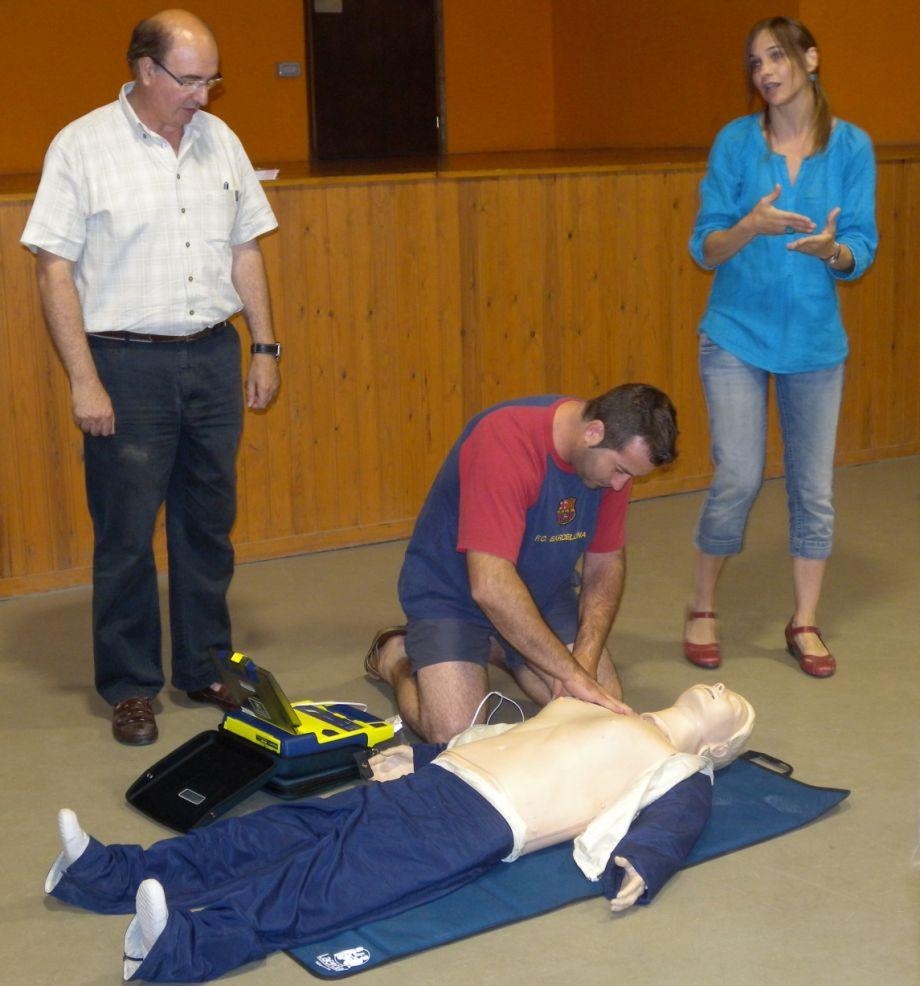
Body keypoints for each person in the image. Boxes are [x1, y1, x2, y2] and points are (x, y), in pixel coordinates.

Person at [44, 682, 754, 982]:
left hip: (480, 824)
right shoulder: (592, 705)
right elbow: (504, 734)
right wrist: (418, 754)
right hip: (441, 784)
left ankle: (177, 949)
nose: (722, 692)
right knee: (277, 829)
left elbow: (672, 826)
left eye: (733, 705)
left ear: (722, 743)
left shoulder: (682, 768)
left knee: (326, 884)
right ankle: (106, 872)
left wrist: (642, 864)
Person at [21, 10, 282, 744]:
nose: (205, 95)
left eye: (212, 79)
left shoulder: (219, 142)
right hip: (124, 363)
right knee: (128, 534)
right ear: (145, 70)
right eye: (191, 80)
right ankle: (131, 686)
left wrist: (264, 347)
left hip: (211, 356)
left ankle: (202, 666)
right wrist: (83, 379)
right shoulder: (82, 146)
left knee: (207, 524)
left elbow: (246, 250)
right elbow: (54, 270)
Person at [684, 16, 877, 678]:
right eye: (754, 61)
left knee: (813, 489)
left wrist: (835, 251)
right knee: (738, 474)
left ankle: (805, 621)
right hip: (735, 333)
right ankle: (702, 605)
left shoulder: (851, 147)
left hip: (816, 344)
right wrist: (749, 225)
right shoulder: (736, 143)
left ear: (810, 59)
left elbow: (862, 246)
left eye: (775, 56)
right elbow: (706, 247)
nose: (763, 71)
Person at [364, 384, 679, 742]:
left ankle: (503, 645)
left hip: (540, 590)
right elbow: (490, 585)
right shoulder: (504, 441)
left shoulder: (610, 460)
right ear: (594, 432)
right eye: (620, 470)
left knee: (597, 714)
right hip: (453, 593)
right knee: (456, 735)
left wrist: (584, 663)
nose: (621, 486)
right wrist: (571, 676)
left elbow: (605, 564)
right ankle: (396, 658)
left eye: (630, 476)